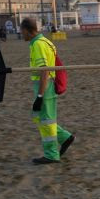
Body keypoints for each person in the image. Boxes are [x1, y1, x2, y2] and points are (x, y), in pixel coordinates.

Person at [21, 18, 75, 164]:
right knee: (41, 118)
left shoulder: (38, 44)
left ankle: (51, 154)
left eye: (22, 31)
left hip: (45, 87)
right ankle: (65, 137)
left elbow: (44, 71)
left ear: (27, 30)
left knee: (46, 121)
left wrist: (39, 96)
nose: (21, 34)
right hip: (46, 86)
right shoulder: (46, 41)